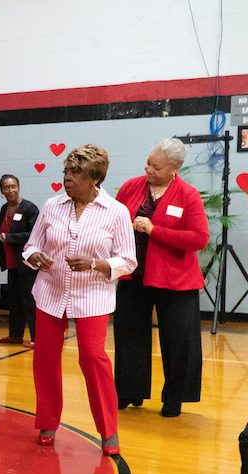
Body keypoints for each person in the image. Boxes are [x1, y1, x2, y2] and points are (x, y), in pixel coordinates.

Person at [23, 144, 136, 455]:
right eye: (66, 171)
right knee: (44, 357)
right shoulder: (51, 206)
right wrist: (36, 257)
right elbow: (30, 246)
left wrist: (96, 264)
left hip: (93, 296)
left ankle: (108, 430)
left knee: (92, 358)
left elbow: (128, 260)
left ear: (94, 177)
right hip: (50, 291)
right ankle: (47, 422)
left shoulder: (116, 212)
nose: (67, 178)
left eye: (76, 173)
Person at [113, 139, 209, 417]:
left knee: (179, 340)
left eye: (156, 167)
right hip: (134, 277)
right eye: (148, 163)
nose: (149, 169)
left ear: (174, 169)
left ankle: (174, 397)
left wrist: (155, 230)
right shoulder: (131, 187)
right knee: (129, 335)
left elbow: (199, 238)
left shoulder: (188, 195)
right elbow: (113, 222)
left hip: (176, 280)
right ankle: (130, 392)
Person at [0, 175, 40, 347]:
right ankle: (15, 335)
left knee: (29, 300)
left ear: (19, 187)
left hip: (27, 263)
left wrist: (10, 237)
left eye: (13, 186)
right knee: (14, 300)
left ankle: (38, 338)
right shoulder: (4, 208)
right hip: (11, 262)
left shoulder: (29, 208)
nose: (10, 190)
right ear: (2, 191)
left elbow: (35, 234)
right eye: (6, 188)